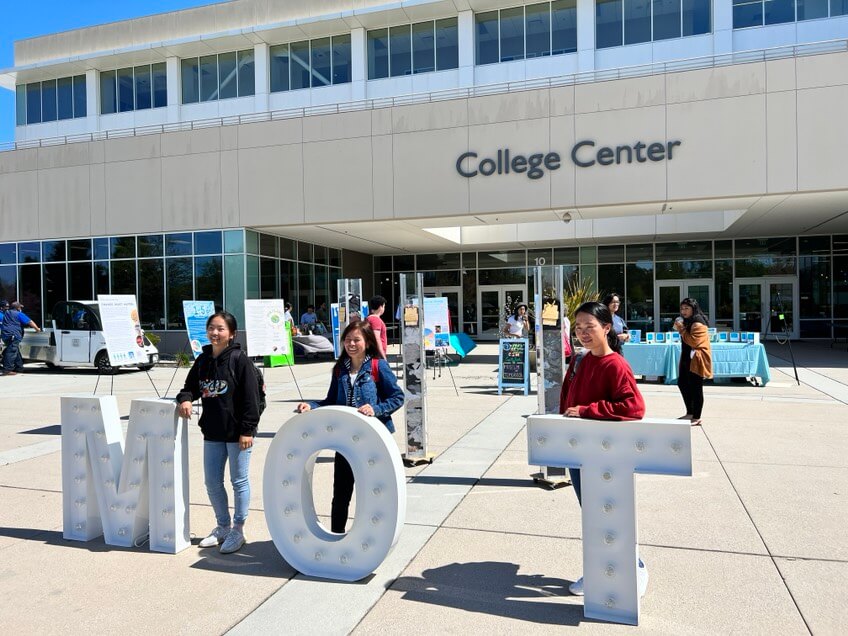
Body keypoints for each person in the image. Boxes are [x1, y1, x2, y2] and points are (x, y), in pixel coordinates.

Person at [558, 301, 647, 598]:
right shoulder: (579, 361)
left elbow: (633, 407)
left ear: (607, 328)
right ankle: (599, 569)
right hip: (578, 451)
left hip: (606, 456)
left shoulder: (616, 364)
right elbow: (567, 401)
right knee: (593, 516)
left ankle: (633, 566)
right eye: (578, 327)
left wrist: (588, 411)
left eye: (590, 327)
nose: (583, 333)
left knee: (609, 514)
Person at [296, 320, 404, 533]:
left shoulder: (377, 366)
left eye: (356, 340)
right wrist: (311, 405)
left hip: (373, 441)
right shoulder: (340, 369)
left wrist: (376, 409)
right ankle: (336, 536)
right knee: (341, 494)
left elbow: (397, 397)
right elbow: (330, 401)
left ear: (367, 341)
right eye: (347, 340)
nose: (351, 344)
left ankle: (373, 537)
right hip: (345, 442)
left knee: (373, 493)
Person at [176, 311, 260, 554]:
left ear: (231, 333)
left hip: (238, 434)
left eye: (221, 328)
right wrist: (186, 400)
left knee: (239, 481)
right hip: (212, 432)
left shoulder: (239, 360)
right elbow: (188, 388)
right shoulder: (203, 361)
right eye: (212, 328)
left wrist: (247, 430)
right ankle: (222, 526)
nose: (215, 332)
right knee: (212, 482)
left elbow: (251, 399)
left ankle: (238, 530)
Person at [673, 297, 713, 426]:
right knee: (683, 383)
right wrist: (681, 327)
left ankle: (697, 416)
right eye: (682, 308)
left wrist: (682, 329)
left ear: (693, 309)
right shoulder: (687, 321)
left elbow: (694, 342)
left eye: (686, 308)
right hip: (686, 357)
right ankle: (690, 412)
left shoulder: (698, 322)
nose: (683, 311)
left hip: (696, 359)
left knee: (696, 387)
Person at [1, 301, 42, 376]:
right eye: (20, 307)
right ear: (17, 308)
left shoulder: (7, 313)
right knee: (12, 351)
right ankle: (7, 370)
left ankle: (19, 368)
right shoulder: (19, 314)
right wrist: (37, 329)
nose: (21, 308)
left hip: (5, 335)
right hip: (13, 335)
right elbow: (30, 322)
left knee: (15, 350)